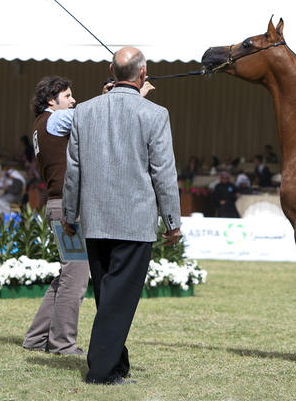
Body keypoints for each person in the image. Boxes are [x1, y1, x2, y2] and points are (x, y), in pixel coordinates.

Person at [62, 46, 182, 385]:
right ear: (142, 75)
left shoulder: (83, 111)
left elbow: (74, 171)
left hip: (96, 221)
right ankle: (101, 371)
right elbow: (163, 172)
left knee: (108, 297)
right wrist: (172, 221)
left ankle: (116, 364)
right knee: (118, 301)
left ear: (111, 73)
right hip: (134, 222)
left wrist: (70, 214)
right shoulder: (155, 114)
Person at [22, 75, 90, 356]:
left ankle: (36, 338)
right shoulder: (55, 119)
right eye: (68, 96)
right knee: (75, 279)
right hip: (66, 207)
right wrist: (115, 95)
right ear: (52, 100)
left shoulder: (43, 124)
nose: (73, 100)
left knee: (67, 276)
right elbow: (89, 117)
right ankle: (62, 343)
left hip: (58, 205)